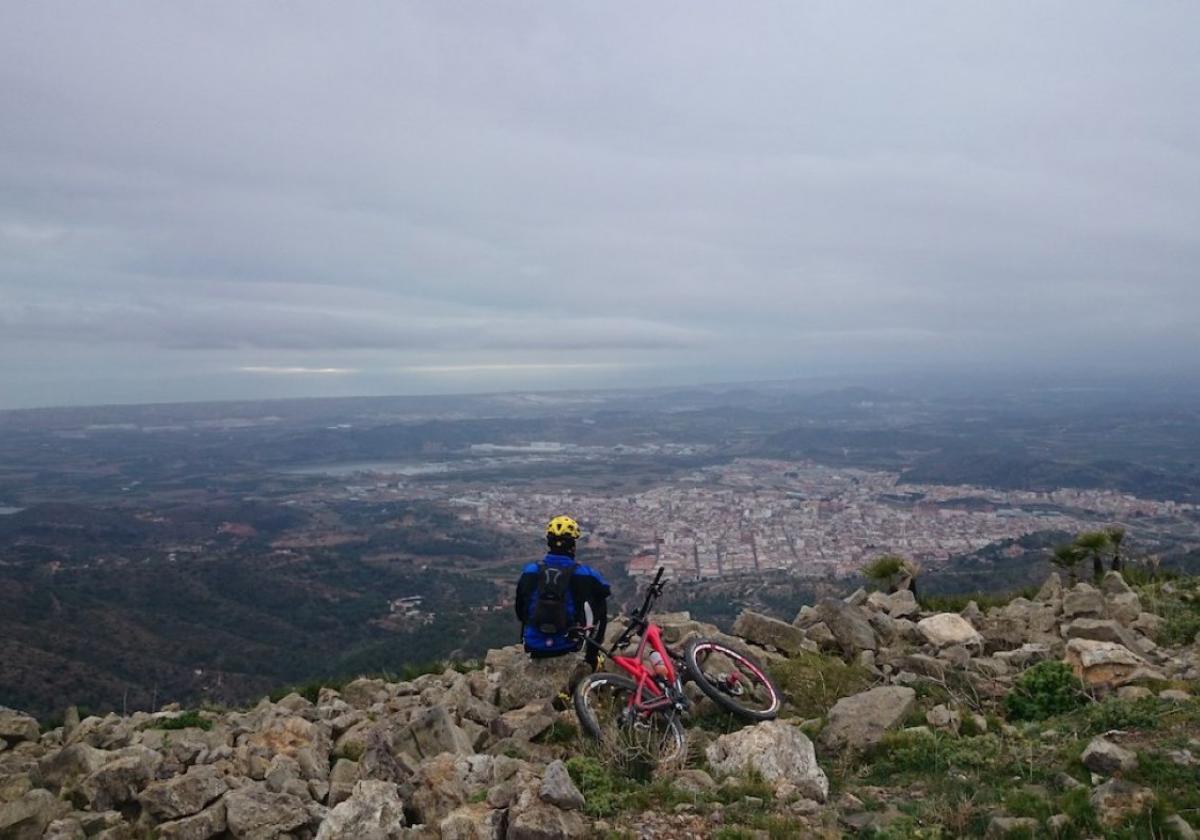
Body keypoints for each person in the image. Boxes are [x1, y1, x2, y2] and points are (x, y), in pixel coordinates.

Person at [515, 515, 610, 669]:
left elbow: (520, 609)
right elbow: (606, 590)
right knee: (601, 603)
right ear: (573, 546)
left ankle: (528, 637)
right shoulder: (585, 573)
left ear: (549, 544)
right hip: (568, 645)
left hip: (533, 645)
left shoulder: (530, 571)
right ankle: (592, 657)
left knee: (527, 597)